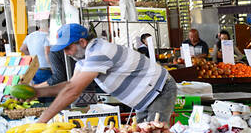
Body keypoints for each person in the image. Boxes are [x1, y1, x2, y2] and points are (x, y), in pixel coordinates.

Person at [29, 22, 177, 124]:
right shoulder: (83, 59)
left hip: (159, 90)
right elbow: (70, 85)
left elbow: (72, 92)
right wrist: (37, 92)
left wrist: (42, 120)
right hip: (145, 96)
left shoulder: (99, 52)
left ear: (82, 42)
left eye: (68, 48)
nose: (66, 54)